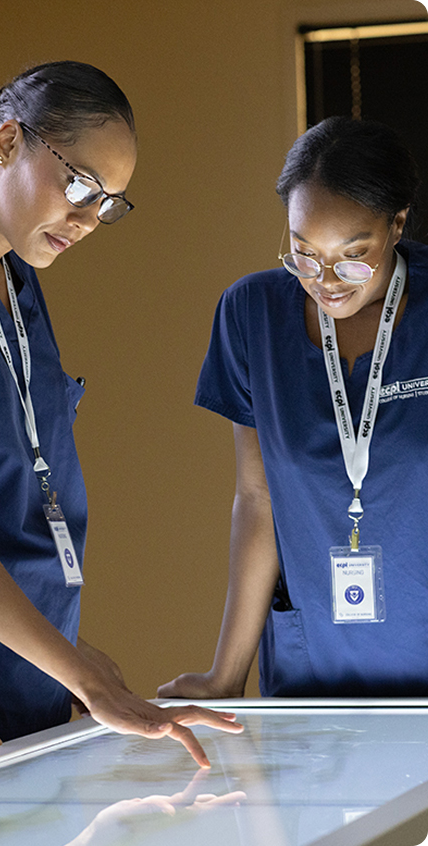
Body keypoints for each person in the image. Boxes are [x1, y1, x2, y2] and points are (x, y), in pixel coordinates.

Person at [0, 60, 243, 763]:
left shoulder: (16, 280)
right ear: (7, 142)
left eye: (109, 203)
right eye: (82, 186)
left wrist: (68, 656)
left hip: (25, 691)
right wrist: (79, 676)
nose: (89, 220)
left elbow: (7, 499)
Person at [158, 115, 428, 702]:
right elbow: (257, 499)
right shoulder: (252, 314)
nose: (326, 281)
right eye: (304, 254)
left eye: (353, 256)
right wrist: (226, 674)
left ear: (398, 223)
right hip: (312, 672)